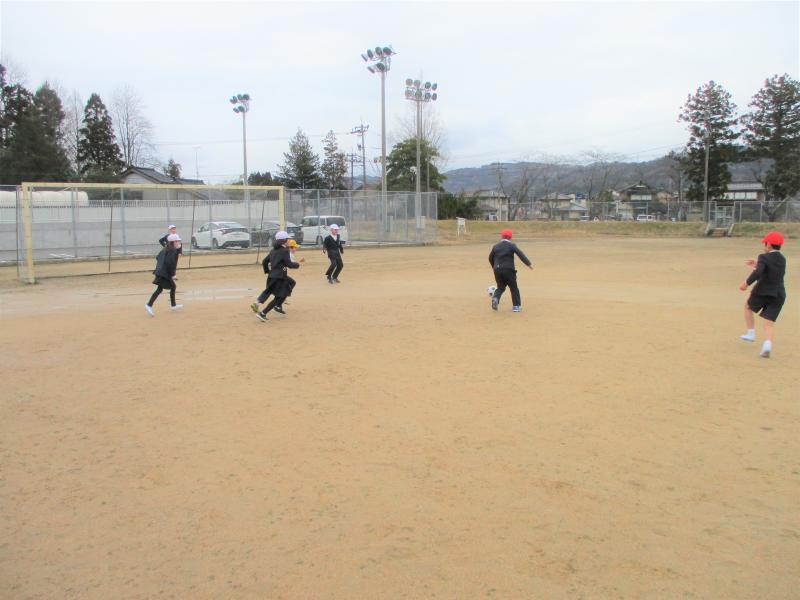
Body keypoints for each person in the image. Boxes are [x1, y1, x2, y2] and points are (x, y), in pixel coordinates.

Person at [739, 231, 787, 358]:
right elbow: (771, 269)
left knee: (748, 306)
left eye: (764, 243)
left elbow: (759, 272)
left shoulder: (763, 257)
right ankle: (767, 345)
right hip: (779, 294)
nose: (764, 246)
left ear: (769, 244)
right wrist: (758, 263)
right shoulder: (782, 259)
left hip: (763, 291)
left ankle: (751, 333)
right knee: (769, 322)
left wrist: (746, 283)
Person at [252, 231, 300, 322]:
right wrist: (297, 265)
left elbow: (264, 261)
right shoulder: (285, 250)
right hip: (280, 278)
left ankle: (271, 308)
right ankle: (263, 313)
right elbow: (289, 264)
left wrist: (268, 271)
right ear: (284, 240)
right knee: (280, 297)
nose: (288, 241)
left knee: (271, 292)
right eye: (287, 239)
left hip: (272, 277)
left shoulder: (273, 250)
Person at [488, 228, 533, 313]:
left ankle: (496, 298)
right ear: (510, 237)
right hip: (509, 269)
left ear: (502, 236)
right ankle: (516, 307)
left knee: (500, 287)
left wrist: (494, 267)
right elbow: (520, 254)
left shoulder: (496, 246)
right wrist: (528, 264)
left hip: (497, 270)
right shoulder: (512, 245)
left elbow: (490, 258)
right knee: (513, 287)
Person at [146, 233, 183, 316]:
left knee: (170, 287)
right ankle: (149, 305)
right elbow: (171, 263)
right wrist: (172, 274)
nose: (178, 242)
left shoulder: (166, 248)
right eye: (177, 241)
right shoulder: (173, 250)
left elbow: (158, 257)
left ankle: (173, 305)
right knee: (161, 289)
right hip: (164, 273)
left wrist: (161, 266)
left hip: (161, 271)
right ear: (173, 242)